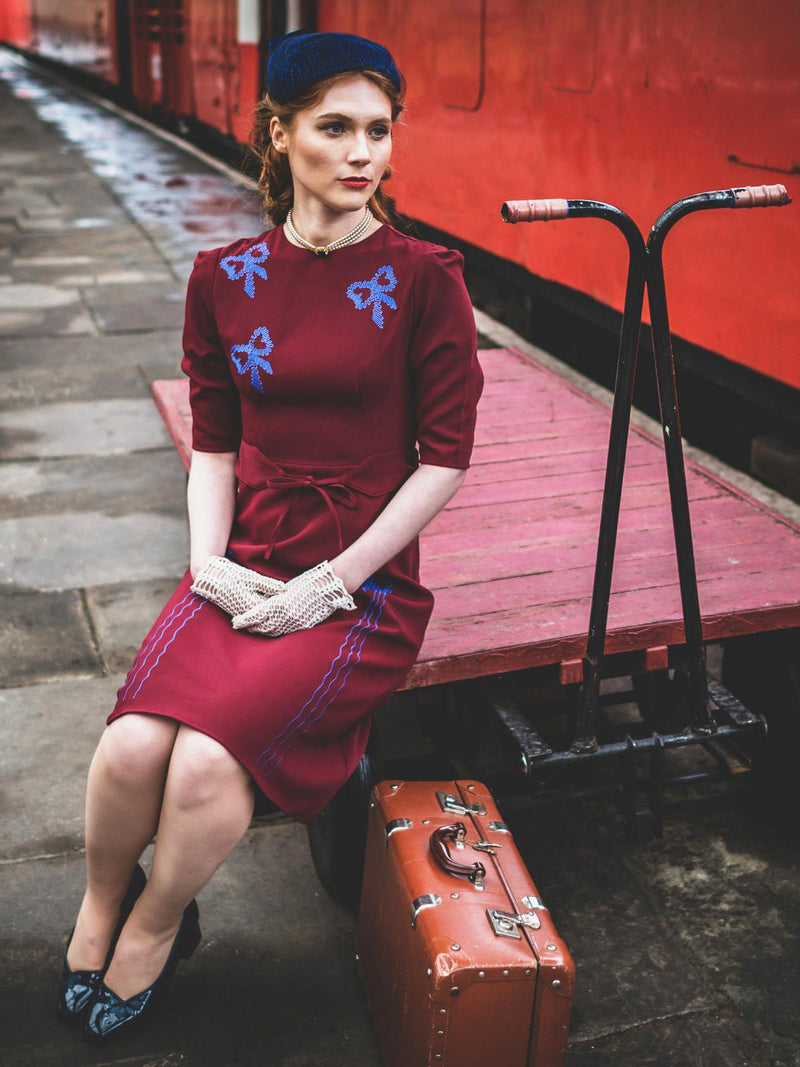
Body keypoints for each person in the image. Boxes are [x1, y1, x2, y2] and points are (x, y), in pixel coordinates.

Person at [57, 29, 484, 1045]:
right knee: (127, 748)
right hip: (243, 557)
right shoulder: (223, 275)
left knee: (204, 763)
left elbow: (444, 458)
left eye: (377, 129)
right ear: (279, 132)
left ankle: (156, 926)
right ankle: (96, 910)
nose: (360, 151)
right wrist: (205, 564)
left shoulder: (427, 277)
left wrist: (333, 580)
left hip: (361, 583)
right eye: (333, 126)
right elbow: (215, 443)